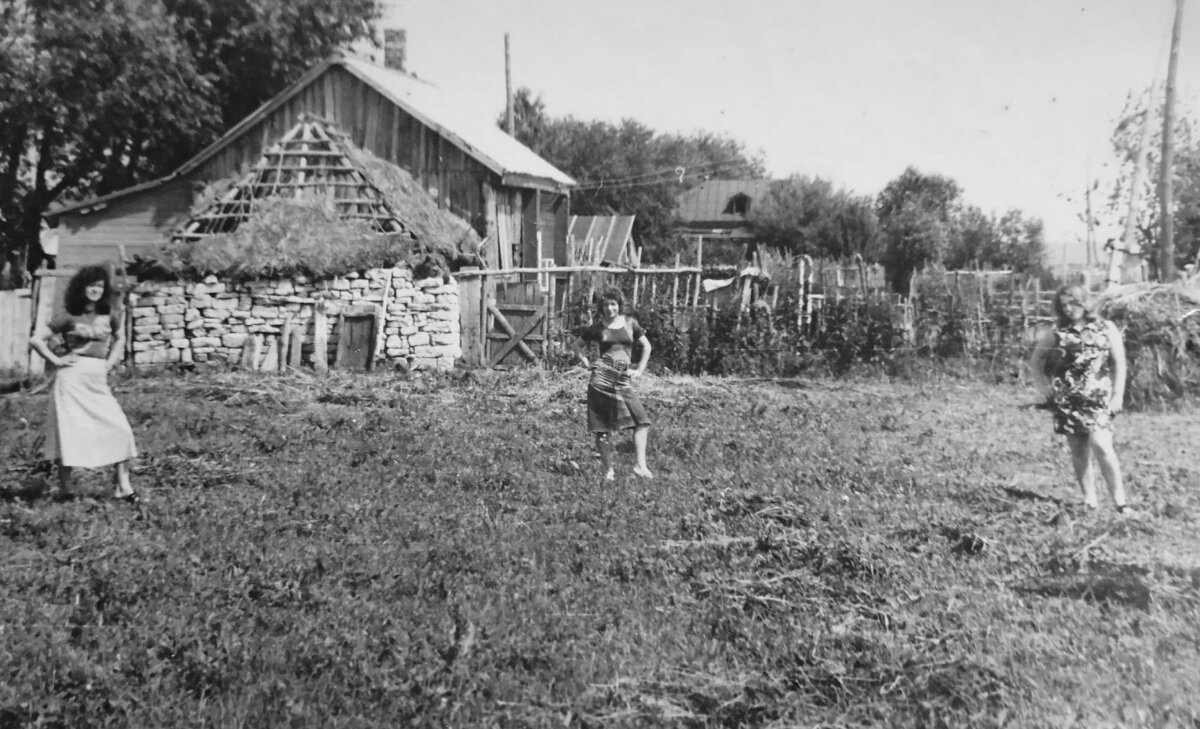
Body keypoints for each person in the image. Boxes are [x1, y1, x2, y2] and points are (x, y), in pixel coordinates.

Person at [28, 265, 139, 504]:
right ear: (82, 288)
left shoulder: (109, 314)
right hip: (70, 379)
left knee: (120, 428)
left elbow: (120, 338)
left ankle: (123, 486)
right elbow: (36, 339)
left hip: (97, 378)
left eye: (99, 286)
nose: (95, 290)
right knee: (68, 431)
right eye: (91, 286)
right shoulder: (69, 315)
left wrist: (110, 362)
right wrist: (56, 360)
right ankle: (66, 489)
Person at [1029, 284, 1127, 512]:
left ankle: (1120, 503)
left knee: (1102, 445)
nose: (1068, 309)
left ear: (1084, 302)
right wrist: (1042, 386)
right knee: (1079, 451)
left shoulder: (1106, 327)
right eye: (1063, 305)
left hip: (1098, 398)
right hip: (1068, 399)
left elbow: (1119, 362)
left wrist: (1118, 395)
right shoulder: (1058, 332)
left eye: (1073, 303)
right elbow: (1036, 361)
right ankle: (1090, 500)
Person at [571, 288, 653, 481]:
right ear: (602, 307)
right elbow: (576, 346)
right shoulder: (598, 327)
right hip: (601, 382)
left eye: (613, 304)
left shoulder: (631, 324)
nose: (610, 308)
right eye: (606, 304)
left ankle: (641, 466)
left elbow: (647, 346)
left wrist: (639, 370)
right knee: (602, 427)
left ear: (619, 305)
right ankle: (608, 470)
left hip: (623, 381)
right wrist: (585, 362)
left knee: (642, 421)